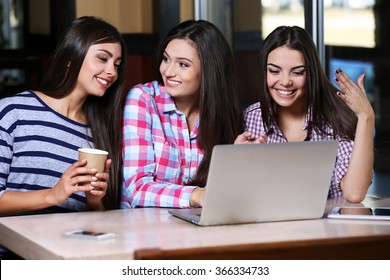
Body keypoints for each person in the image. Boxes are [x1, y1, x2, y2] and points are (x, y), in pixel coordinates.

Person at [0, 16, 127, 215]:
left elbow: (98, 223)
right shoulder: (13, 112)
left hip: (72, 245)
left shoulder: (99, 131)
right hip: (17, 246)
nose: (111, 72)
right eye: (103, 58)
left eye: (117, 64)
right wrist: (53, 195)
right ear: (71, 58)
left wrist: (94, 202)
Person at [235, 25, 374, 203]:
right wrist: (240, 162)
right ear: (264, 71)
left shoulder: (336, 119)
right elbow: (241, 195)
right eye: (274, 71)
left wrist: (366, 117)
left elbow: (354, 193)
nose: (285, 82)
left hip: (329, 229)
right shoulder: (250, 118)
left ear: (311, 73)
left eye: (298, 72)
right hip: (269, 228)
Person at [121, 20, 242, 208]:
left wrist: (237, 159)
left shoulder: (221, 114)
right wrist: (195, 195)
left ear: (209, 72)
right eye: (166, 59)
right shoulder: (143, 99)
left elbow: (227, 195)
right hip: (144, 230)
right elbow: (137, 189)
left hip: (199, 229)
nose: (168, 71)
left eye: (183, 65)